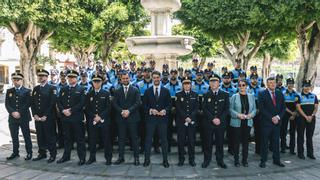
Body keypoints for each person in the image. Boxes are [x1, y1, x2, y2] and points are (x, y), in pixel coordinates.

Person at [57, 70, 86, 165]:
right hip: (65, 118)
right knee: (67, 138)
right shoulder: (63, 89)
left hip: (76, 118)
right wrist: (63, 110)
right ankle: (66, 156)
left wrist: (71, 110)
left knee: (79, 139)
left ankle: (82, 158)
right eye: (69, 77)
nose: (70, 79)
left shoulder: (81, 89)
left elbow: (82, 103)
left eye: (72, 77)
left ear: (77, 78)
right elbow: (59, 102)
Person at [143, 71, 172, 168]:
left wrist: (164, 110)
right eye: (154, 77)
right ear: (152, 78)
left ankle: (165, 160)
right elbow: (144, 106)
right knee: (148, 140)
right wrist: (151, 110)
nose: (156, 79)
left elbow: (169, 105)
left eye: (157, 77)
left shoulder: (166, 91)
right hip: (150, 120)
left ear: (160, 78)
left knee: (164, 140)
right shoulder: (147, 91)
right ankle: (147, 160)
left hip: (162, 120)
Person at [113, 71, 141, 166]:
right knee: (121, 139)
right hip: (121, 118)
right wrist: (122, 111)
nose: (125, 80)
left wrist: (129, 111)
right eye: (123, 78)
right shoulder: (117, 91)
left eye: (127, 78)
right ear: (121, 80)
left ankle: (136, 158)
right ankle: (121, 157)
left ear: (130, 78)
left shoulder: (135, 90)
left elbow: (138, 103)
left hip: (132, 118)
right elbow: (114, 103)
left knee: (134, 138)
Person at [202, 75, 229, 169]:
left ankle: (220, 160)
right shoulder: (205, 95)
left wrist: (219, 119)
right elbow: (204, 109)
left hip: (220, 123)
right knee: (207, 143)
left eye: (215, 81)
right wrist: (213, 119)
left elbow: (226, 109)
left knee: (220, 142)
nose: (213, 83)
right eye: (211, 81)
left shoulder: (225, 94)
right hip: (209, 123)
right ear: (209, 83)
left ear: (219, 83)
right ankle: (207, 160)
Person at [258, 77, 286, 168]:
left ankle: (276, 160)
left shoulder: (279, 93)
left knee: (276, 142)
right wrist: (271, 118)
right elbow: (261, 109)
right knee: (265, 143)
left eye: (274, 82)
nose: (272, 84)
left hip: (277, 123)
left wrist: (278, 117)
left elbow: (283, 108)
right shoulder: (262, 94)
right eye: (270, 83)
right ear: (267, 84)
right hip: (266, 123)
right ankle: (263, 161)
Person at [31, 69, 57, 163]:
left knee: (50, 136)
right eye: (39, 75)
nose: (40, 77)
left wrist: (45, 115)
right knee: (40, 136)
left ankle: (52, 155)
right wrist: (34, 114)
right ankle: (42, 153)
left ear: (46, 77)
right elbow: (32, 103)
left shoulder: (52, 88)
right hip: (38, 117)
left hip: (48, 117)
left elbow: (52, 103)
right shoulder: (36, 88)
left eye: (42, 76)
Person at [85, 74, 112, 165]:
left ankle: (108, 158)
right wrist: (94, 116)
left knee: (106, 140)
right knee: (92, 140)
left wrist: (100, 117)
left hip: (104, 121)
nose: (96, 83)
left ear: (102, 82)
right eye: (94, 81)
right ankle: (92, 157)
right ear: (92, 82)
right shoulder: (89, 94)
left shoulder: (106, 93)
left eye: (98, 81)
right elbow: (87, 108)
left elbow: (109, 108)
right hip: (93, 121)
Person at [5, 72, 33, 161]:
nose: (16, 82)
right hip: (12, 118)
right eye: (14, 80)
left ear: (22, 80)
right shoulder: (9, 91)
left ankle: (29, 153)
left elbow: (28, 103)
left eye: (18, 80)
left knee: (26, 136)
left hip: (23, 117)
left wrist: (19, 112)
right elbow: (7, 104)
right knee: (14, 136)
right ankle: (15, 152)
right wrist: (12, 112)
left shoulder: (27, 91)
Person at [229, 79, 256, 167]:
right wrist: (238, 115)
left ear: (247, 86)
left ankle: (245, 160)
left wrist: (251, 115)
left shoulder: (251, 96)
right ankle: (236, 160)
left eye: (243, 85)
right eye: (239, 85)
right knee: (236, 143)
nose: (241, 87)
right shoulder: (234, 96)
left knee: (245, 143)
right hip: (237, 123)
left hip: (247, 122)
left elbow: (255, 109)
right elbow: (230, 109)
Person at [175, 77, 199, 167]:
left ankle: (191, 159)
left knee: (191, 142)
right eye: (185, 84)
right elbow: (178, 108)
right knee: (181, 142)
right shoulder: (178, 95)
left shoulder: (195, 95)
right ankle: (181, 159)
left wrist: (190, 117)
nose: (187, 85)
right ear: (182, 85)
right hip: (181, 122)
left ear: (191, 85)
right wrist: (186, 117)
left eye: (188, 84)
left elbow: (196, 108)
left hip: (192, 122)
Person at [296, 80, 318, 159]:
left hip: (311, 118)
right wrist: (306, 117)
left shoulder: (314, 96)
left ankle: (310, 153)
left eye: (308, 86)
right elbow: (298, 108)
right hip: (301, 118)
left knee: (309, 136)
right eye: (305, 86)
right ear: (302, 87)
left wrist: (312, 115)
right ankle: (300, 153)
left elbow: (316, 107)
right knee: (300, 136)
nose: (307, 88)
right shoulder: (298, 96)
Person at [280, 78, 298, 154]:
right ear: (287, 84)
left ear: (293, 84)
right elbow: (283, 106)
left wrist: (295, 113)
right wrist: (291, 113)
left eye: (292, 83)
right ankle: (283, 148)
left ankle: (292, 149)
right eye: (289, 83)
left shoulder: (296, 94)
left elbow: (298, 105)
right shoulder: (283, 93)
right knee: (283, 131)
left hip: (294, 114)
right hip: (285, 113)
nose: (290, 85)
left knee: (292, 131)